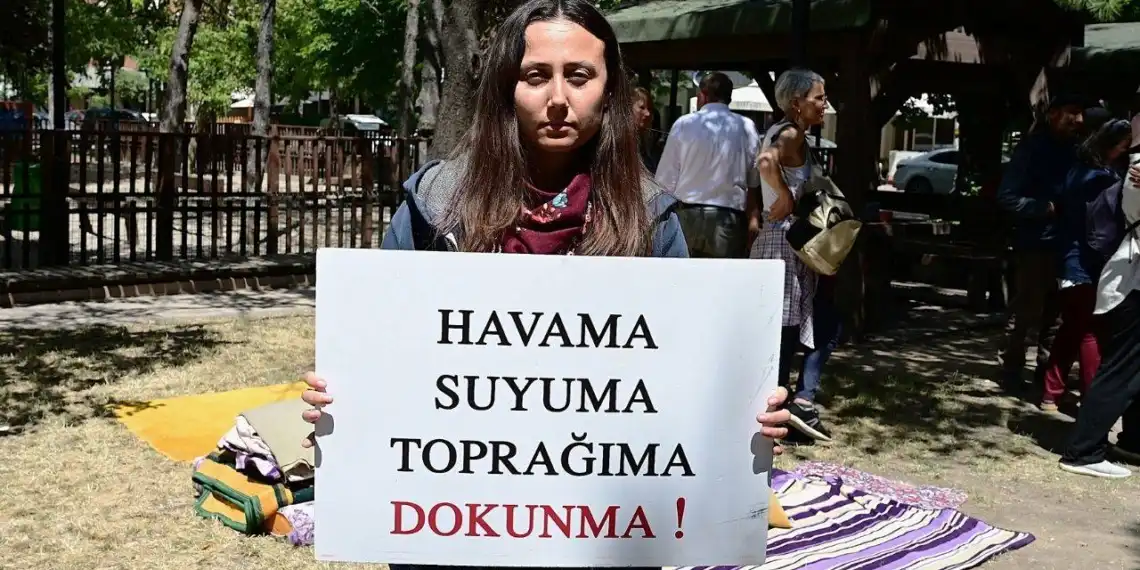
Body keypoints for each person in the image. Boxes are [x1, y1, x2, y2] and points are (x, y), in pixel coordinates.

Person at [298, 0, 794, 565]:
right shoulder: (432, 208)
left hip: (599, 537)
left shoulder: (652, 222)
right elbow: (381, 361)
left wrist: (745, 414)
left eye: (579, 76)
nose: (558, 98)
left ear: (609, 91)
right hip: (450, 533)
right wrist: (340, 401)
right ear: (504, 88)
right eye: (536, 76)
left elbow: (688, 380)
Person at [749, 68, 833, 442]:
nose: (824, 104)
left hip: (775, 241)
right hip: (785, 242)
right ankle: (781, 414)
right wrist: (784, 193)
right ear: (797, 102)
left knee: (779, 333)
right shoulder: (791, 133)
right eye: (819, 97)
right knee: (784, 334)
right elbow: (766, 162)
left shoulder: (780, 130)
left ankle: (780, 412)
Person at [1058, 134, 1140, 479]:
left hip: (1128, 278)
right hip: (1132, 283)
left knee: (1132, 371)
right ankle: (1083, 451)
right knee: (1121, 370)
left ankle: (1133, 440)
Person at [1042, 119, 1135, 411]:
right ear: (1112, 145)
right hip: (1089, 262)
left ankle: (1051, 393)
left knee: (1072, 328)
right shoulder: (1104, 180)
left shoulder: (1078, 171)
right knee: (1090, 331)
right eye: (1124, 146)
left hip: (1070, 259)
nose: (1126, 151)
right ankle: (1090, 399)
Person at [996, 94, 1085, 390]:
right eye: (1072, 112)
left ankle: (1045, 372)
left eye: (1081, 113)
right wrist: (1044, 208)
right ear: (1053, 114)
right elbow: (1007, 197)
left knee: (1057, 316)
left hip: (1067, 245)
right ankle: (1010, 370)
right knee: (1025, 311)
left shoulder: (1077, 151)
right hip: (1034, 244)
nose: (1079, 120)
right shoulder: (1031, 149)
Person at [655, 72, 761, 258]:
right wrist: (753, 218)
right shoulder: (746, 127)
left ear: (702, 95)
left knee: (682, 273)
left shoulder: (684, 124)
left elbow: (665, 179)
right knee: (722, 275)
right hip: (727, 219)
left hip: (686, 217)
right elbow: (754, 180)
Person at [632, 86, 659, 174]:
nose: (648, 113)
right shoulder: (619, 141)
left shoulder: (650, 144)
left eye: (650, 109)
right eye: (642, 108)